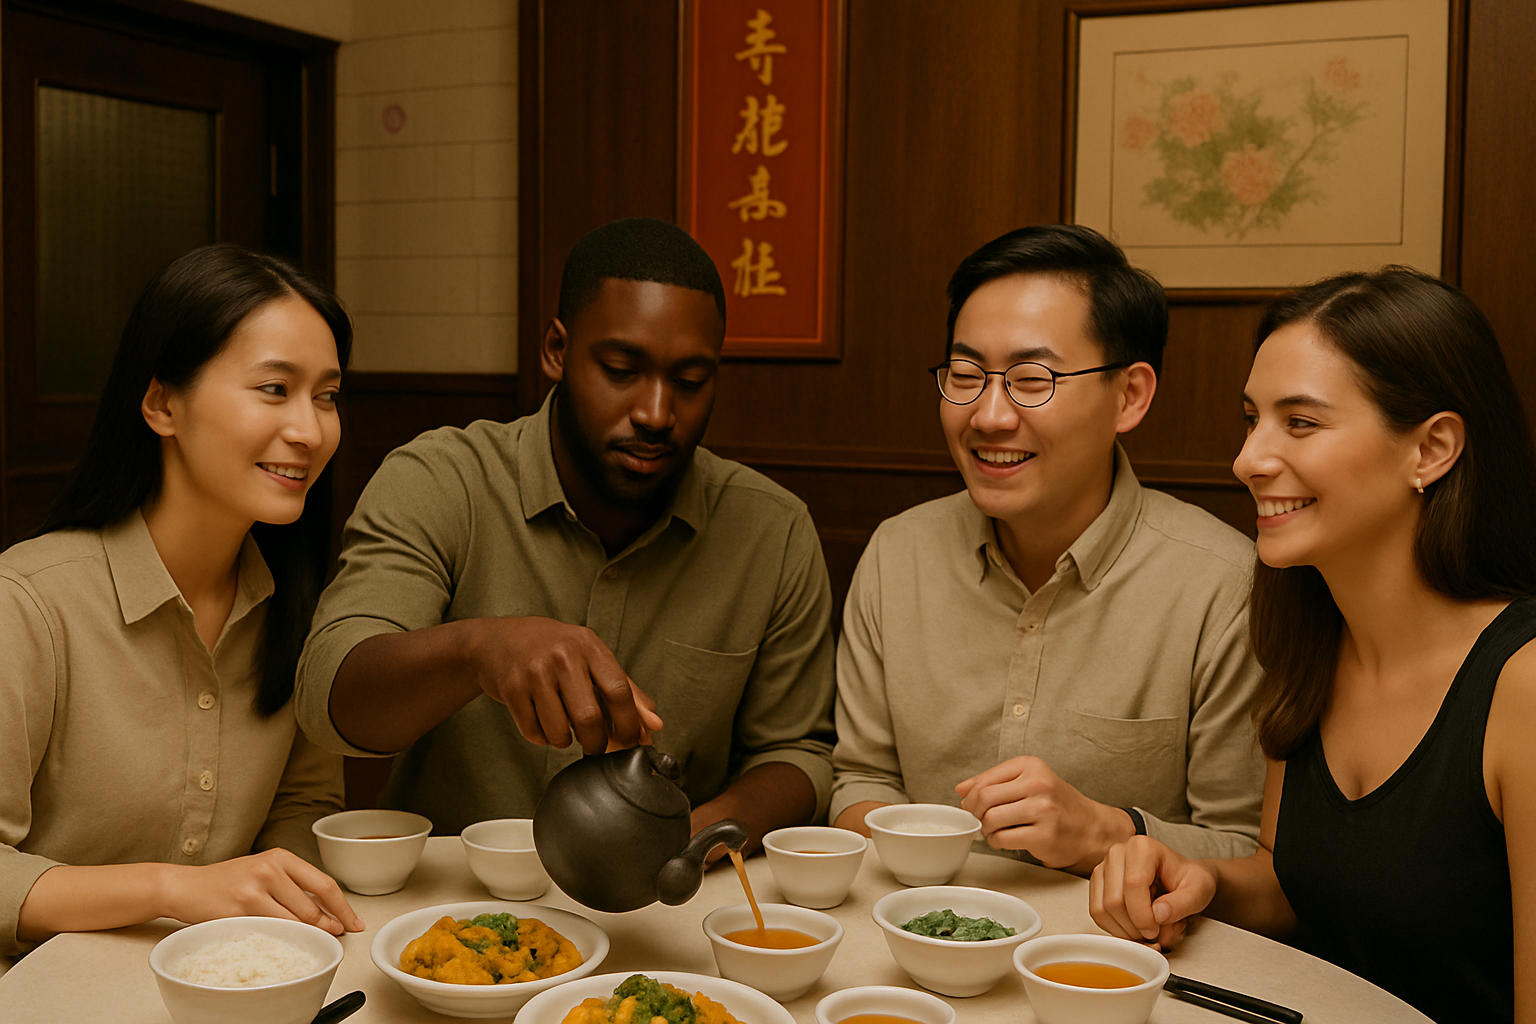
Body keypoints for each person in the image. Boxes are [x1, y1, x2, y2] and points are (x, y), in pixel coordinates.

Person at [294, 217, 836, 846]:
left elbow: (798, 752)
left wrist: (692, 836)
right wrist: (479, 650)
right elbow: (330, 697)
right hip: (444, 911)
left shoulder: (772, 529)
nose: (656, 413)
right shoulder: (444, 481)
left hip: (658, 906)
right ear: (556, 349)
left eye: (690, 382)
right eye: (621, 369)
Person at [1089, 268, 1536, 1024]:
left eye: (1299, 423)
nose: (1248, 459)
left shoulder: (1522, 687)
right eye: (1252, 418)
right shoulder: (1310, 639)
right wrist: (1198, 878)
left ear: (1432, 449)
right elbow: (1295, 890)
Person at [831, 224, 1265, 875]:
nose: (989, 416)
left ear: (1130, 395)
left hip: (1120, 961)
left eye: (1032, 379)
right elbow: (859, 779)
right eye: (965, 373)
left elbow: (1248, 851)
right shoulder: (899, 557)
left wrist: (1107, 833)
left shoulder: (1221, 585)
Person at [0, 244, 362, 963]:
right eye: (273, 389)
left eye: (325, 395)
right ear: (163, 403)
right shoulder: (30, 604)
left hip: (233, 984)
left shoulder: (299, 605)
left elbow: (305, 806)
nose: (309, 429)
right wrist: (172, 890)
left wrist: (272, 900)